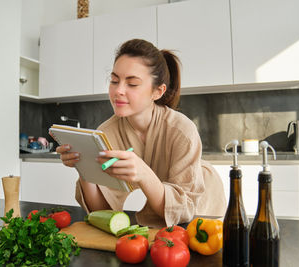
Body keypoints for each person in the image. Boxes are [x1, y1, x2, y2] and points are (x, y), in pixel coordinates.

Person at [56, 39, 226, 227]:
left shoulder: (182, 131)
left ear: (157, 92)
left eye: (132, 84)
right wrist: (85, 169)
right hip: (161, 220)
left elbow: (182, 210)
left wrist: (144, 173)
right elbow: (103, 211)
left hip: (200, 206)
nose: (118, 90)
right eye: (114, 81)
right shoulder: (106, 133)